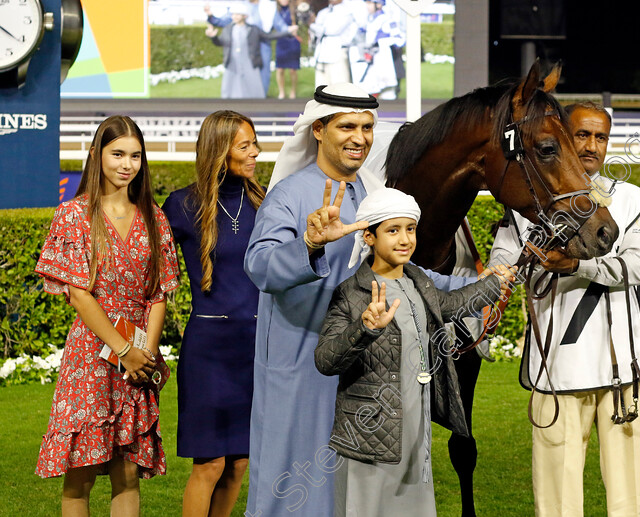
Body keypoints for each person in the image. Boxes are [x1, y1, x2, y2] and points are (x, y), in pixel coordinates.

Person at [244, 82, 476, 516]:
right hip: (300, 371)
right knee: (295, 488)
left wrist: (480, 290)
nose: (360, 137)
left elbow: (406, 275)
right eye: (347, 126)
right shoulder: (289, 195)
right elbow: (259, 268)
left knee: (357, 493)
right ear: (318, 129)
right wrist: (310, 244)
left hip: (364, 373)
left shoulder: (373, 198)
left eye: (367, 127)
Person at [489, 102, 640, 516]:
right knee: (557, 499)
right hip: (556, 368)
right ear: (563, 136)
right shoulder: (526, 201)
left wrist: (576, 265)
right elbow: (500, 263)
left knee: (630, 498)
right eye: (582, 135)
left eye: (600, 137)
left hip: (619, 370)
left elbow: (636, 267)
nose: (591, 146)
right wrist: (504, 275)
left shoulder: (630, 200)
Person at [315, 188, 514, 516]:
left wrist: (496, 283)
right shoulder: (351, 294)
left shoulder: (417, 280)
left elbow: (450, 305)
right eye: (393, 230)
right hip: (368, 441)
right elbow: (325, 360)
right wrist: (364, 329)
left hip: (414, 435)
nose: (405, 239)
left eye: (410, 229)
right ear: (368, 237)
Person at [34, 116, 180, 516]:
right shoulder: (73, 214)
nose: (126, 164)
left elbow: (159, 294)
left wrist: (144, 356)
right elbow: (79, 295)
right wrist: (123, 350)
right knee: (81, 470)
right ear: (98, 155)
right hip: (91, 356)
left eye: (135, 155)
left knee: (127, 472)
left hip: (136, 355)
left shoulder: (155, 217)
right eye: (117, 153)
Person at [161, 111, 264, 517]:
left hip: (256, 350)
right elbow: (147, 270)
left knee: (240, 462)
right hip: (209, 352)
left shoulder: (265, 201)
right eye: (245, 146)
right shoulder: (180, 206)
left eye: (254, 143)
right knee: (210, 463)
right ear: (220, 151)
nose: (256, 152)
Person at [205, 3, 296, 99]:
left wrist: (287, 32)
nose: (235, 16)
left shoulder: (253, 30)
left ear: (244, 16)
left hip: (249, 63)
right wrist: (213, 37)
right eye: (233, 14)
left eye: (238, 14)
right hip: (233, 64)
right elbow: (220, 42)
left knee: (252, 87)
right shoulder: (228, 29)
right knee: (231, 89)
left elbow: (269, 36)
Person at [355, 0, 403, 99]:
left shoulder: (387, 20)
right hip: (371, 60)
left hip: (384, 61)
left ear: (379, 4)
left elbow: (400, 40)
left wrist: (381, 43)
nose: (367, 6)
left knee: (387, 93)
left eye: (370, 3)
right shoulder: (370, 20)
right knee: (367, 90)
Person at [310, 0, 358, 86]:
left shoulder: (347, 12)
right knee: (321, 86)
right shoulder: (323, 12)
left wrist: (312, 25)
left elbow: (332, 30)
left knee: (339, 85)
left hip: (338, 51)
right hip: (322, 53)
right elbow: (317, 32)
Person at [273, 0, 302, 99]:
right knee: (280, 69)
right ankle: (281, 92)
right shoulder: (275, 10)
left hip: (293, 41)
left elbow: (302, 23)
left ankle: (293, 91)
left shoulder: (295, 9)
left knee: (292, 70)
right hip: (281, 41)